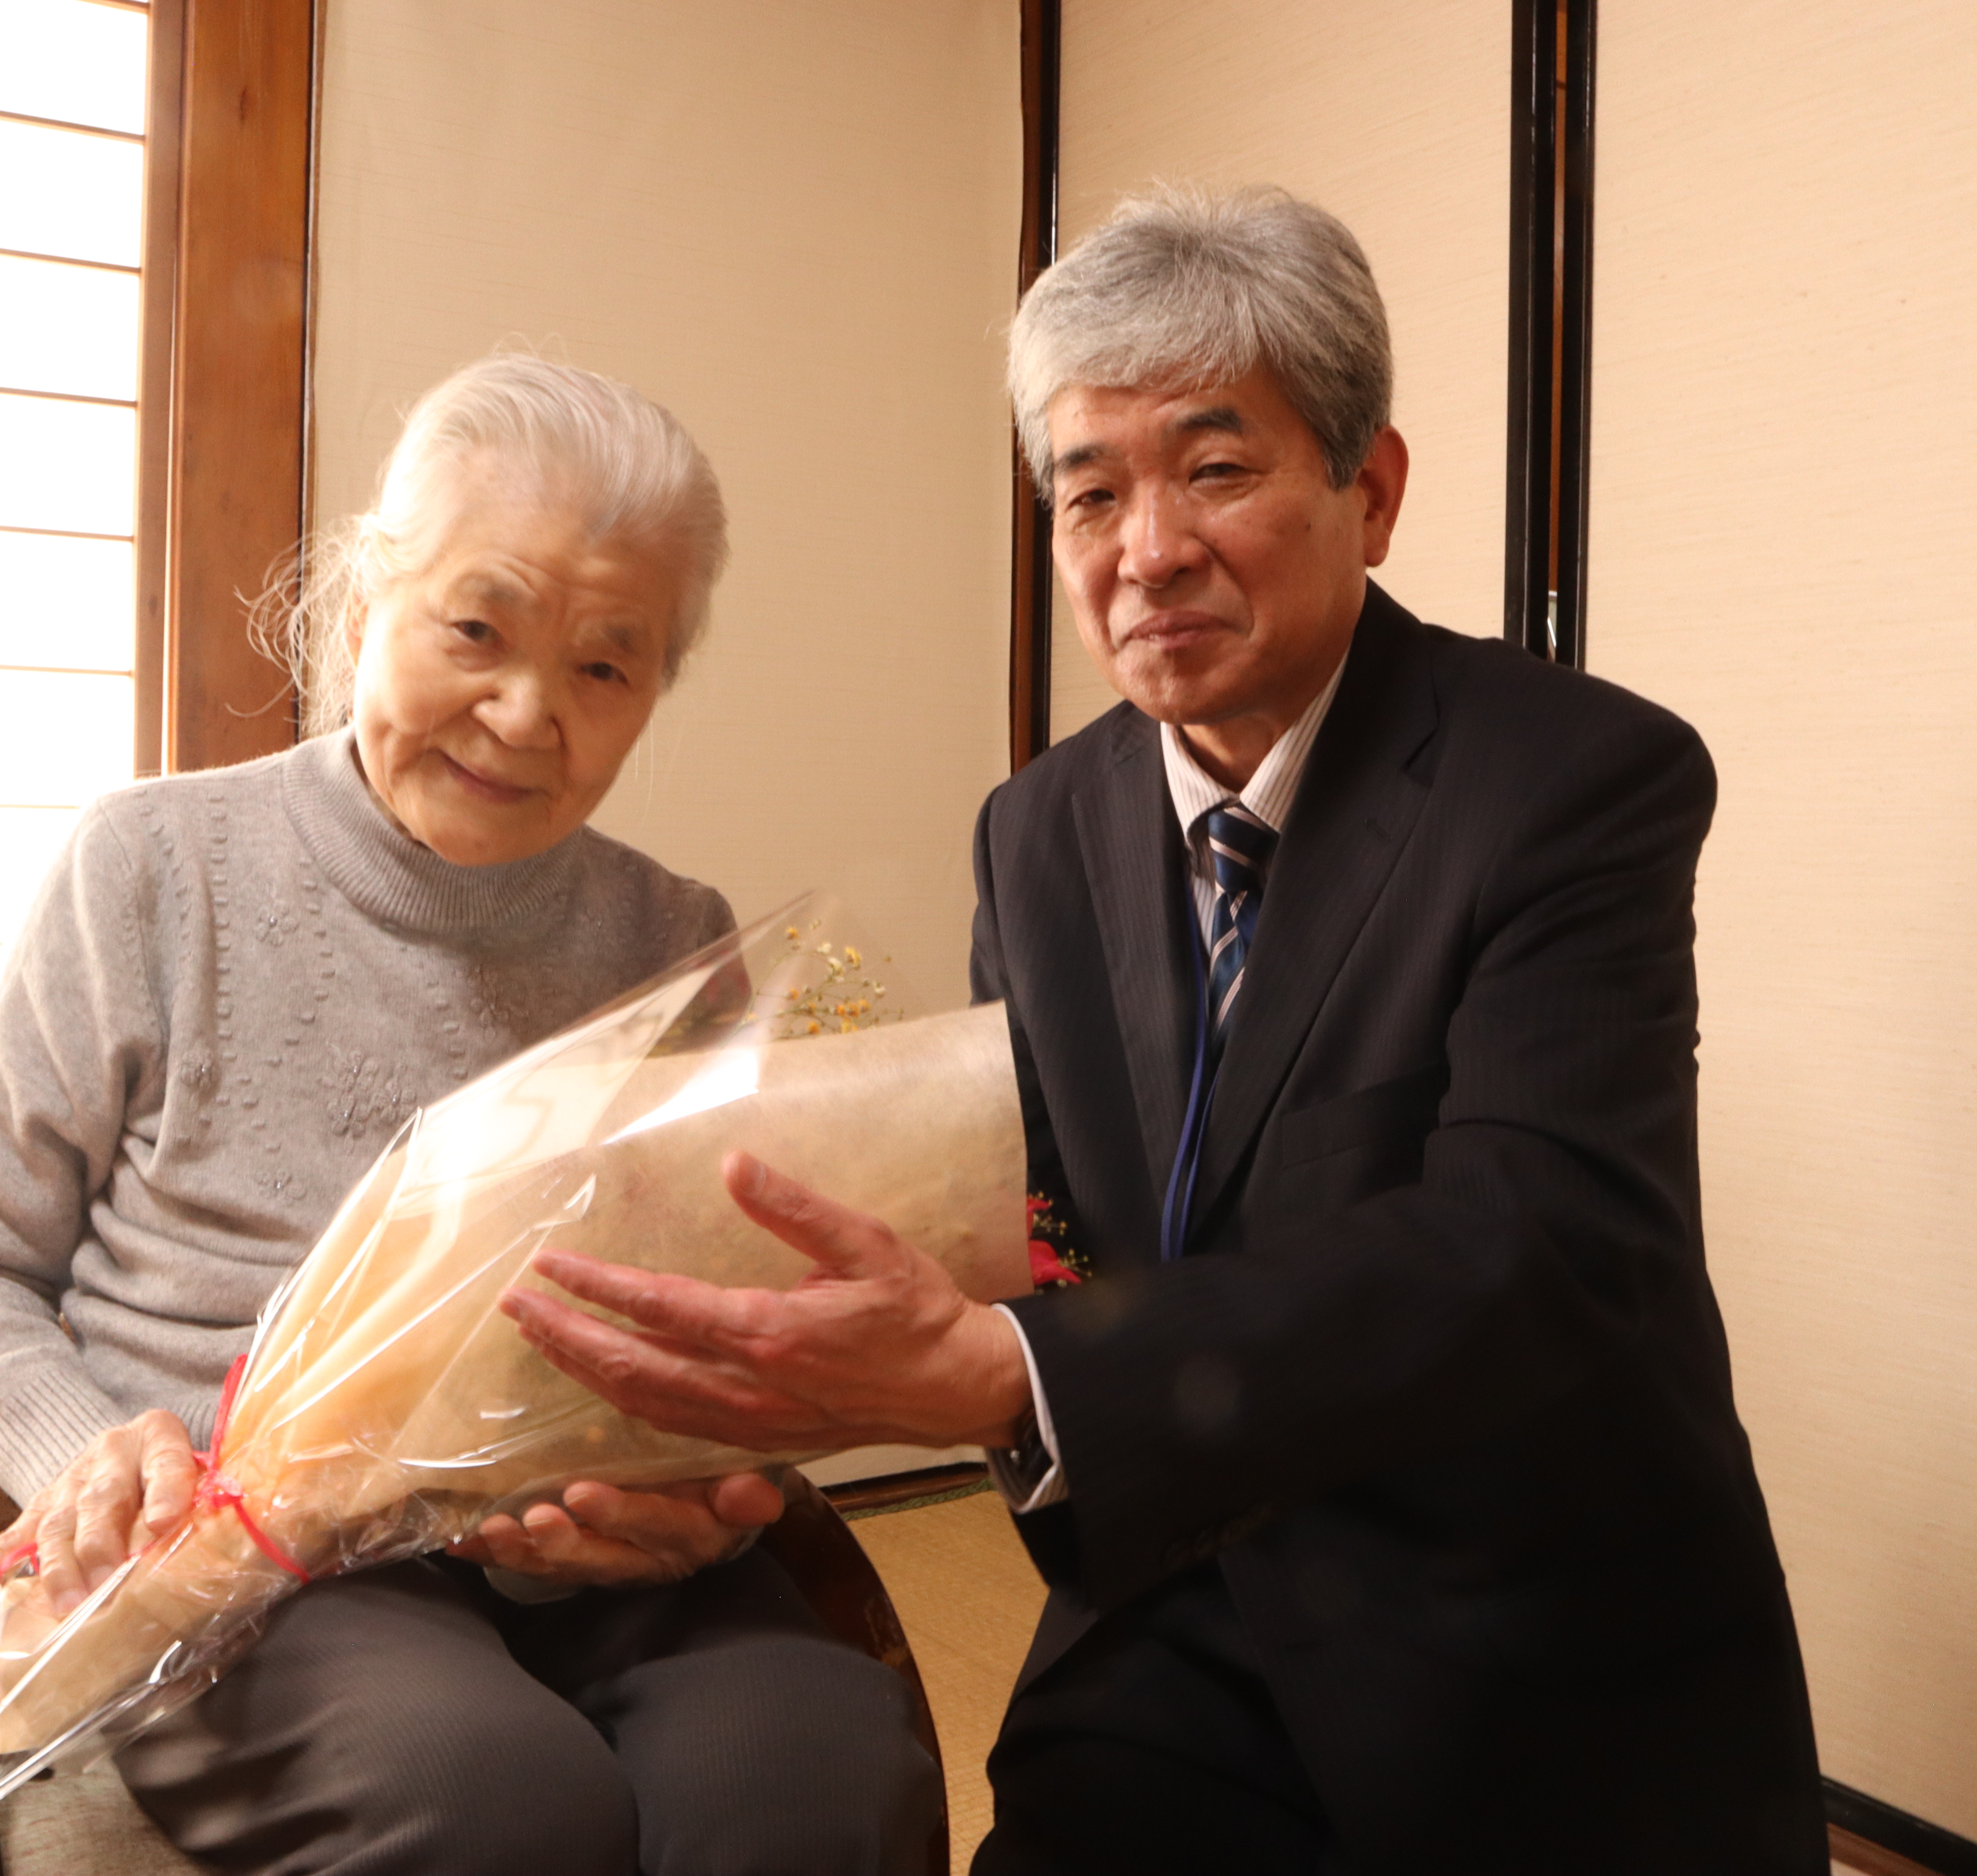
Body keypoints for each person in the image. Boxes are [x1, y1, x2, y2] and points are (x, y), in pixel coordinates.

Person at [505, 188, 1827, 1873]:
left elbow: (1544, 1244)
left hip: (1519, 1636)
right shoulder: (1041, 828)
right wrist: (709, 1419)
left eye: (1216, 469)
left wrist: (1009, 1370)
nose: (1146, 548)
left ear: (1374, 491)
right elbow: (1030, 1220)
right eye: (1091, 490)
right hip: (1179, 1603)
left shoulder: (1570, 778)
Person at [0, 355, 942, 1876]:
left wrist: (714, 1494)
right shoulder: (155, 867)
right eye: (476, 629)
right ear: (368, 592)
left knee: (814, 1771)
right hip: (253, 1562)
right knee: (488, 1797)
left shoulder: (674, 933)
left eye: (605, 666)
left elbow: (723, 1322)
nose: (524, 713)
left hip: (586, 1554)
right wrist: (97, 1460)